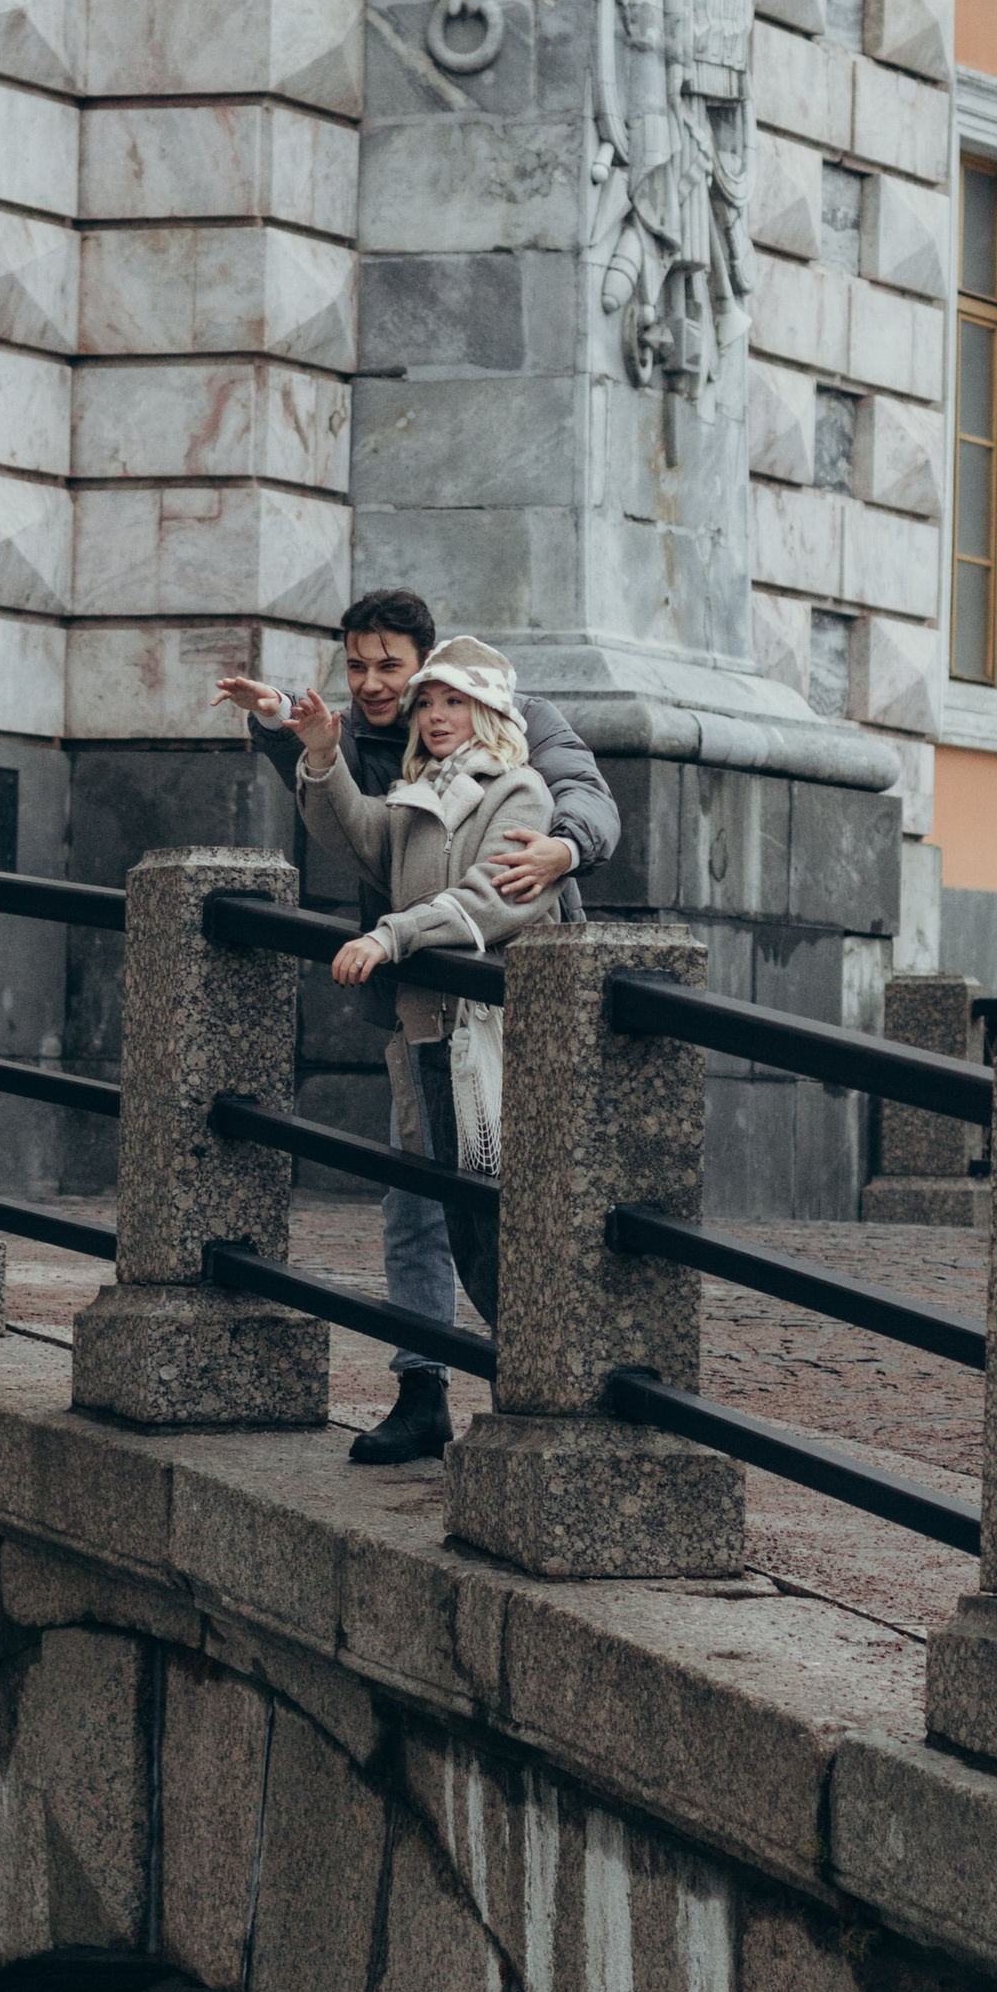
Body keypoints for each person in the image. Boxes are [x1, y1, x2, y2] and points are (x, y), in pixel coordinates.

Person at [214, 592, 622, 1448]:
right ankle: (425, 1387)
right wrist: (299, 734)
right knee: (421, 1201)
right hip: (423, 1015)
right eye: (358, 667)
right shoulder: (408, 765)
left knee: (513, 1205)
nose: (379, 687)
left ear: (444, 674)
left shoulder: (521, 748)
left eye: (395, 670)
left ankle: (552, 1379)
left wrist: (564, 846)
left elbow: (567, 810)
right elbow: (355, 818)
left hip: (509, 1016)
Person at [289, 637, 558, 1461]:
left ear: (489, 711)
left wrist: (391, 935)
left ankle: (548, 1384)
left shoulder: (518, 791)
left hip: (488, 1044)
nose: (436, 718)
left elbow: (490, 902)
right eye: (428, 704)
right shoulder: (415, 793)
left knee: (492, 1219)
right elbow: (361, 837)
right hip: (423, 1035)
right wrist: (325, 758)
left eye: (454, 704)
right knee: (430, 1206)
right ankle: (448, 1391)